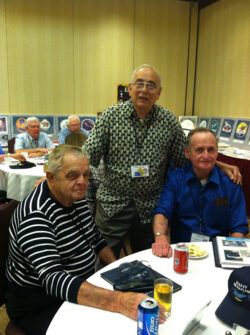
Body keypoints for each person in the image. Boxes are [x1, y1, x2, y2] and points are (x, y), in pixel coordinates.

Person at [5, 145, 166, 335]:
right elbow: (54, 279)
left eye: (86, 174)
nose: (82, 182)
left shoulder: (74, 197)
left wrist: (121, 271)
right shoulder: (36, 215)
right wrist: (119, 300)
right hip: (39, 302)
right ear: (51, 178)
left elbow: (96, 238)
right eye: (72, 175)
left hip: (80, 283)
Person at [84, 64, 241, 258]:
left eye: (151, 86)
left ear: (159, 93)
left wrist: (218, 164)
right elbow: (87, 156)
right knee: (101, 258)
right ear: (130, 88)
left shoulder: (168, 121)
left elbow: (189, 155)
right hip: (112, 205)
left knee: (148, 260)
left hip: (149, 207)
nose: (144, 90)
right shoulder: (110, 117)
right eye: (139, 84)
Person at [152, 128, 248, 258]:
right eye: (199, 150)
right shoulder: (175, 179)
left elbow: (238, 227)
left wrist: (233, 255)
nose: (206, 156)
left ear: (217, 152)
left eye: (211, 150)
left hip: (216, 252)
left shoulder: (231, 183)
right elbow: (162, 211)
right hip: (181, 250)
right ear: (187, 152)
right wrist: (160, 237)